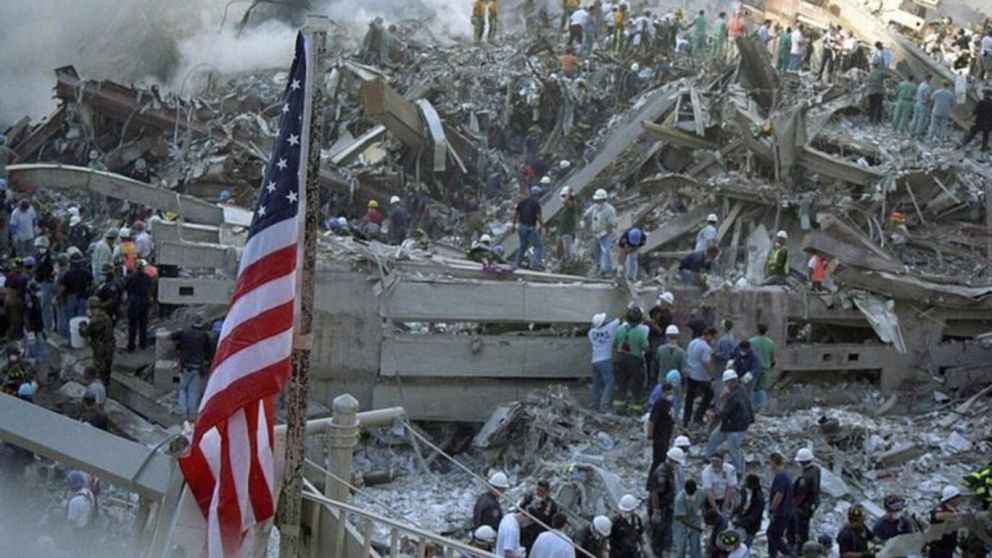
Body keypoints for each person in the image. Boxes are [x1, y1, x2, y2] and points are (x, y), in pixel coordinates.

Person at [704, 370, 753, 476]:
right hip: (731, 423)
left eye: (726, 383)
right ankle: (708, 458)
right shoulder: (740, 389)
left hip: (736, 426)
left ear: (731, 382)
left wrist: (714, 414)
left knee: (733, 448)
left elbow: (725, 412)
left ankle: (738, 470)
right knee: (714, 438)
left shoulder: (734, 396)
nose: (725, 385)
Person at [170, 314, 215, 424]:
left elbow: (172, 336)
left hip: (185, 366)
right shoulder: (204, 336)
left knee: (182, 389)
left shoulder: (185, 333)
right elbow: (209, 351)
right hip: (197, 367)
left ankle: (183, 413)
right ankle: (192, 414)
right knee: (193, 391)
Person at [612, 306, 648, 414]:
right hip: (635, 360)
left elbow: (614, 344)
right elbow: (646, 347)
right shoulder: (640, 332)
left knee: (621, 385)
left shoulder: (620, 329)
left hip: (620, 359)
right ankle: (635, 410)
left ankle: (619, 409)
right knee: (637, 386)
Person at [648, 448, 684, 558]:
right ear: (672, 461)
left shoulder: (667, 470)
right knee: (658, 532)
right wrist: (656, 511)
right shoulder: (661, 474)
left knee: (665, 531)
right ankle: (657, 553)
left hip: (666, 506)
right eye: (676, 463)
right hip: (660, 507)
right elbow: (655, 494)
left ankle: (664, 550)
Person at [789, 448, 821, 553]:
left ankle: (801, 551)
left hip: (803, 507)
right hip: (811, 504)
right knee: (804, 528)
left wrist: (794, 504)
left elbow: (802, 494)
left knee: (801, 531)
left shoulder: (805, 477)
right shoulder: (816, 469)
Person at [684, 327, 716, 426]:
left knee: (689, 397)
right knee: (709, 394)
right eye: (713, 337)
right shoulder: (706, 348)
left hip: (690, 373)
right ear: (709, 335)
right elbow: (706, 362)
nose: (713, 340)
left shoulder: (693, 342)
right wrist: (712, 375)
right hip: (700, 376)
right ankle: (698, 417)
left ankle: (686, 419)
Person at [588, 312, 620, 411]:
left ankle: (593, 405)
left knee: (596, 384)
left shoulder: (591, 332)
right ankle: (604, 405)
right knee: (610, 382)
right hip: (605, 359)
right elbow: (620, 318)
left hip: (595, 360)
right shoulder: (609, 328)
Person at [80, 297, 115, 386]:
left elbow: (84, 333)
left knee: (99, 371)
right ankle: (105, 388)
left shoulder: (96, 320)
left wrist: (82, 324)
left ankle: (100, 391)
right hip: (109, 346)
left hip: (101, 349)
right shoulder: (105, 316)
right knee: (107, 370)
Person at [768, 452, 795, 558]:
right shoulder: (785, 474)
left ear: (774, 462)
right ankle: (772, 555)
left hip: (781, 512)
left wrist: (772, 509)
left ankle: (790, 554)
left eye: (770, 462)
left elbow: (779, 494)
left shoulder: (781, 476)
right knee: (771, 534)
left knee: (774, 535)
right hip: (785, 511)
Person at [519, 480, 560, 550]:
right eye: (537, 489)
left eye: (541, 491)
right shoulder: (529, 497)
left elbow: (547, 520)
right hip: (524, 531)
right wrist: (529, 505)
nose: (538, 492)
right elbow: (520, 509)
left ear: (547, 492)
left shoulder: (551, 505)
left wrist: (536, 510)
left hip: (538, 535)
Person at [585, 189, 617, 276]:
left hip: (606, 233)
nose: (598, 202)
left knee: (606, 250)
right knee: (596, 251)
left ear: (604, 200)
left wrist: (603, 233)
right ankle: (597, 267)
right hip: (595, 232)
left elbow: (611, 224)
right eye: (597, 200)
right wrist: (588, 227)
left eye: (599, 200)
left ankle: (608, 270)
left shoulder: (610, 210)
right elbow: (586, 215)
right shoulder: (594, 207)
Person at [648, 383, 676, 478]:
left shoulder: (669, 403)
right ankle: (651, 482)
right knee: (657, 461)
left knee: (663, 459)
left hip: (666, 436)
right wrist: (650, 435)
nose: (671, 395)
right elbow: (652, 421)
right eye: (669, 392)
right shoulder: (659, 404)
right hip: (659, 437)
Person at [653, 325, 685, 409]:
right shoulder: (681, 352)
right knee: (675, 406)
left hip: (662, 380)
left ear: (667, 336)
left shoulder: (660, 349)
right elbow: (683, 370)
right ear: (677, 336)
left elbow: (656, 362)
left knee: (659, 404)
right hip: (675, 384)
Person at [124, 260, 153, 351]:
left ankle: (131, 346)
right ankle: (142, 344)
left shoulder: (131, 277)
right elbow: (149, 288)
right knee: (143, 325)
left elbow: (126, 288)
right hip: (144, 302)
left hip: (134, 302)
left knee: (132, 325)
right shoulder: (147, 277)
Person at [513, 186, 544, 270]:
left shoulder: (522, 202)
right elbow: (538, 216)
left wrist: (513, 224)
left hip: (520, 226)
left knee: (523, 246)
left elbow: (516, 213)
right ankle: (535, 264)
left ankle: (517, 263)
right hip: (530, 227)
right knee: (538, 246)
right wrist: (542, 226)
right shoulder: (536, 203)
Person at [928, 485, 962, 558]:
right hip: (938, 548)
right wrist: (954, 515)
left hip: (948, 548)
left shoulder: (954, 510)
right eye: (957, 497)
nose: (959, 499)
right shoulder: (941, 508)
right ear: (951, 499)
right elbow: (937, 516)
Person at [673, 479, 703, 558]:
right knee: (681, 547)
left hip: (695, 519)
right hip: (682, 524)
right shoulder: (679, 499)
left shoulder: (700, 492)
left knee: (695, 547)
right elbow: (681, 518)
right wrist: (696, 528)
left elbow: (704, 503)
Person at [733, 474, 765, 549]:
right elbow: (743, 505)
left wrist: (740, 522)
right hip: (746, 525)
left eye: (747, 483)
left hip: (751, 527)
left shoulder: (759, 498)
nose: (746, 485)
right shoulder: (753, 492)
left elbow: (753, 516)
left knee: (745, 548)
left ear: (753, 485)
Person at [911, 75, 934, 139]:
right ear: (929, 79)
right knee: (921, 121)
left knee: (915, 119)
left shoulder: (921, 84)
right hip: (923, 105)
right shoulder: (927, 87)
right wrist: (930, 101)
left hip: (918, 103)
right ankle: (917, 135)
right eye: (931, 80)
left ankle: (911, 132)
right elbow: (927, 97)